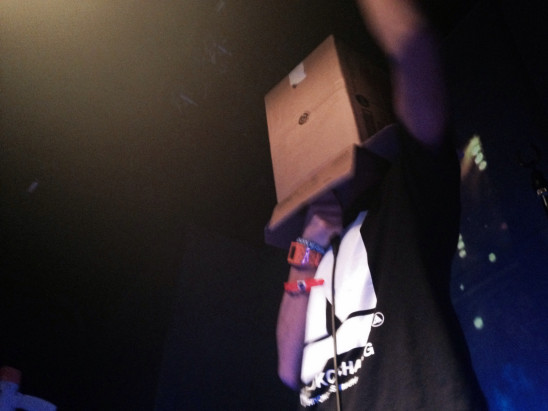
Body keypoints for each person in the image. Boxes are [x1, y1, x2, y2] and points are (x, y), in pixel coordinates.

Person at [275, 0, 488, 409]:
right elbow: (288, 369)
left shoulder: (405, 199)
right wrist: (308, 246)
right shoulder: (315, 252)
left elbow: (414, 51)